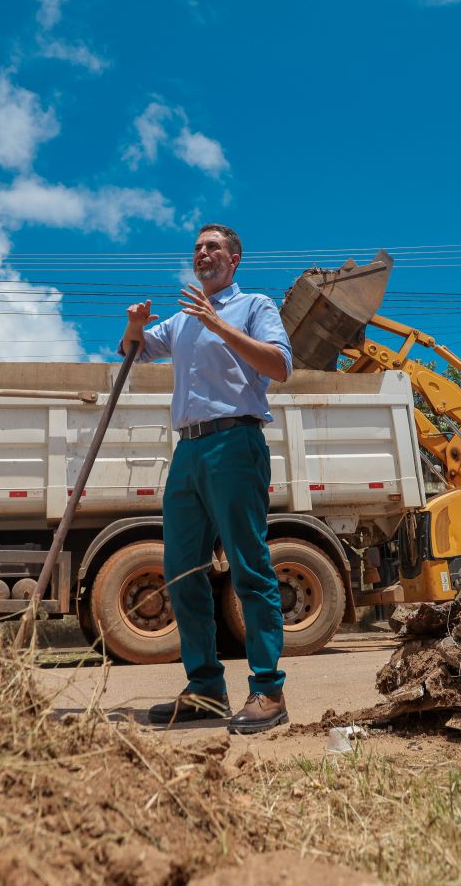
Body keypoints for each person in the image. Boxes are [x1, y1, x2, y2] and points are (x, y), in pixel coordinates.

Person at [120, 223, 293, 734]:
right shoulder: (180, 321)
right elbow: (133, 351)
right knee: (180, 570)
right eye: (197, 247)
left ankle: (268, 690)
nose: (202, 253)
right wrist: (134, 324)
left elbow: (281, 365)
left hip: (235, 443)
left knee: (248, 567)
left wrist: (218, 326)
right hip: (189, 451)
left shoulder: (255, 306)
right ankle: (205, 691)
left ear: (234, 258)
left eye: (213, 246)